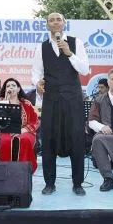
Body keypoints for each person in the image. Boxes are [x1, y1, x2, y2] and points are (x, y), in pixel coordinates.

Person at [31, 12, 90, 196]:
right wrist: (37, 83)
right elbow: (36, 72)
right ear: (47, 25)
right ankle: (49, 183)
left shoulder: (76, 43)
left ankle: (77, 183)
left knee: (76, 140)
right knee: (49, 140)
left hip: (73, 100)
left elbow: (85, 69)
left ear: (64, 23)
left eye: (58, 19)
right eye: (51, 20)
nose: (55, 22)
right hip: (51, 99)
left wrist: (69, 53)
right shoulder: (41, 47)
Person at [0, 78, 40, 172]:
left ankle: (23, 170)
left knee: (24, 139)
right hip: (4, 131)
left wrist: (23, 130)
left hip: (24, 130)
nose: (11, 87)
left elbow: (35, 121)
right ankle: (4, 170)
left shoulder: (26, 103)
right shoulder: (0, 102)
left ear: (18, 89)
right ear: (5, 90)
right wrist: (5, 102)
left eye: (13, 85)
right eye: (8, 86)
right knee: (3, 140)